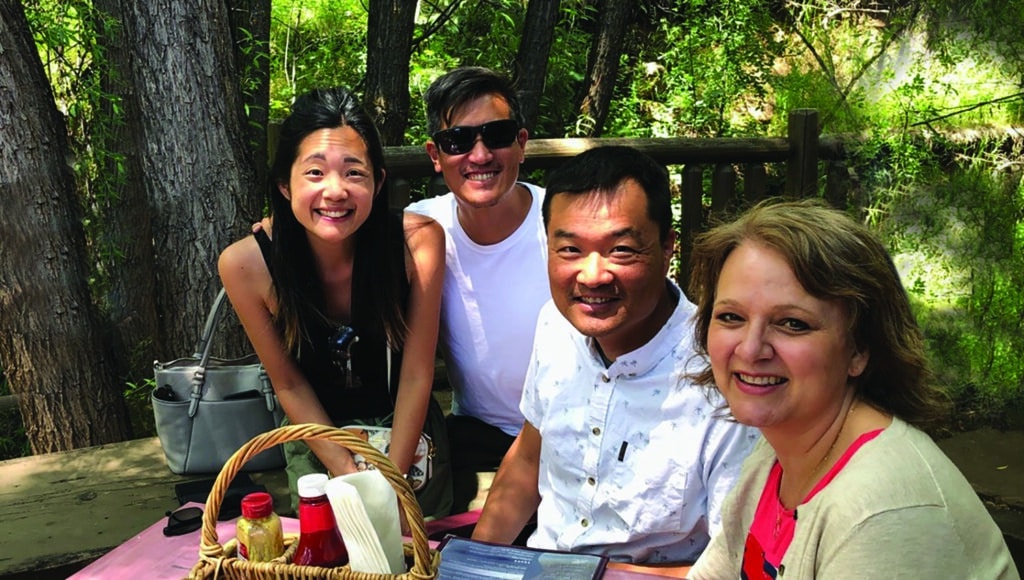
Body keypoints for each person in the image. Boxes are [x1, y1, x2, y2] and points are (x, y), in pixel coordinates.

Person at [686, 199, 1019, 579]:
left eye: (793, 324)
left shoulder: (883, 513)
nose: (750, 348)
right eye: (731, 317)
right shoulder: (780, 452)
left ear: (859, 349)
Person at [471, 146, 760, 567]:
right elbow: (530, 456)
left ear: (667, 249)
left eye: (621, 250)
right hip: (539, 569)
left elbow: (731, 562)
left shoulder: (719, 374)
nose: (592, 275)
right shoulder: (555, 324)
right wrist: (476, 565)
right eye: (569, 250)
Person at [218, 86, 452, 518]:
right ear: (284, 185)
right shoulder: (246, 266)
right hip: (318, 438)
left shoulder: (417, 243)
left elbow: (417, 374)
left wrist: (388, 484)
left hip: (408, 434)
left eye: (354, 173)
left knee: (420, 554)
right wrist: (348, 473)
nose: (335, 190)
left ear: (378, 182)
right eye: (314, 173)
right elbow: (288, 383)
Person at [406, 66, 550, 512]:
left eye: (498, 135)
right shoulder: (420, 229)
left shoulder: (564, 223)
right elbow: (339, 240)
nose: (480, 154)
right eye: (458, 141)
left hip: (571, 431)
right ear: (435, 154)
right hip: (477, 434)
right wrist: (286, 226)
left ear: (521, 144)